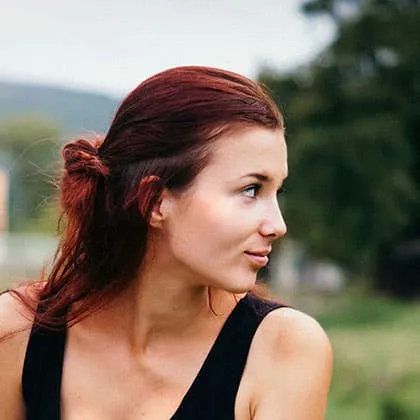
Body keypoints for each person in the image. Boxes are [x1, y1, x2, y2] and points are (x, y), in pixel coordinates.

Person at [0, 66, 332, 419]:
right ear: (156, 201)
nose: (277, 226)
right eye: (251, 190)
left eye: (276, 192)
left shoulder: (282, 350)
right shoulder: (17, 330)